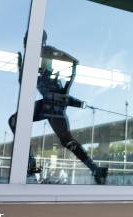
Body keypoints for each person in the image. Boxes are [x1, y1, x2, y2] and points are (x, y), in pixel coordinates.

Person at [8, 31, 108, 185]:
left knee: (66, 140)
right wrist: (21, 69)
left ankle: (94, 168)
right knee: (15, 121)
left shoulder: (44, 52)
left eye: (29, 38)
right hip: (47, 103)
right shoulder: (31, 59)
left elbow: (68, 58)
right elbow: (25, 83)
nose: (26, 41)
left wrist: (68, 63)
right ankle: (31, 163)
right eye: (26, 39)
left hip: (54, 104)